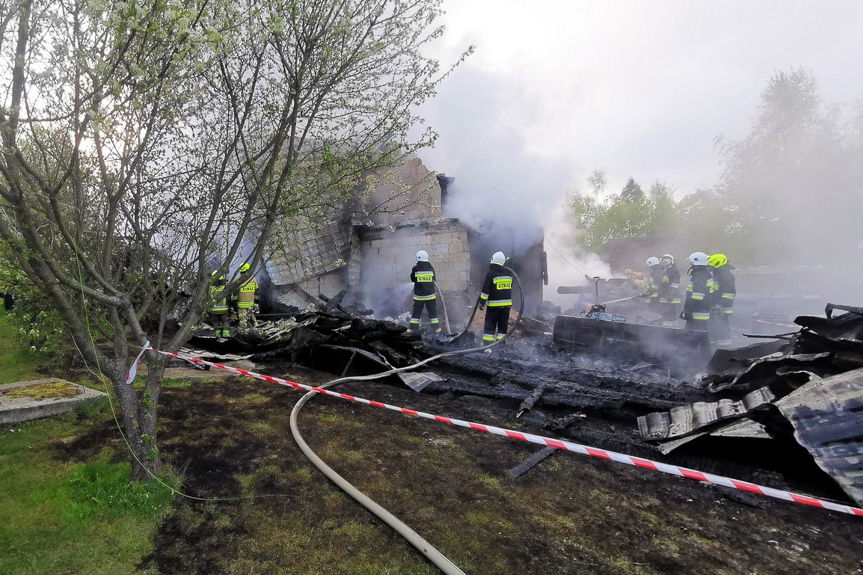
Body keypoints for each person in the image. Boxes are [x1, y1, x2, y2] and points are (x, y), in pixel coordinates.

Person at [479, 251, 513, 344]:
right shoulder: (508, 273)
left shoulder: (490, 274)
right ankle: (501, 346)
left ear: (493, 260)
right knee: (503, 326)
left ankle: (487, 345)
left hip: (494, 306)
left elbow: (485, 290)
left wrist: (481, 302)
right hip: (506, 307)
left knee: (490, 325)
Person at [708, 253, 736, 348]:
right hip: (718, 306)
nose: (710, 266)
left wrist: (720, 304)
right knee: (716, 327)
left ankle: (723, 349)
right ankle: (717, 347)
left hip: (723, 307)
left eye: (711, 264)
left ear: (717, 263)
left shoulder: (725, 275)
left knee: (722, 328)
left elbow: (729, 292)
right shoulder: (718, 274)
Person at [409, 250, 439, 332]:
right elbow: (434, 279)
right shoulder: (431, 268)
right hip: (431, 296)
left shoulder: (415, 268)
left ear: (418, 258)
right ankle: (437, 329)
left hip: (419, 297)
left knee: (416, 313)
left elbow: (413, 279)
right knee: (433, 313)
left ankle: (413, 329)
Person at [682, 252, 712, 332]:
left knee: (692, 335)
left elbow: (697, 296)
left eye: (691, 262)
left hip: (697, 312)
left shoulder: (699, 275)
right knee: (699, 334)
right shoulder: (704, 273)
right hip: (701, 311)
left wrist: (689, 311)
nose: (690, 264)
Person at [658, 253, 682, 327]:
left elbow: (675, 284)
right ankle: (667, 329)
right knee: (666, 315)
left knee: (670, 315)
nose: (664, 263)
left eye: (666, 262)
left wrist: (670, 294)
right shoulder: (667, 271)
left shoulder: (673, 271)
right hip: (666, 297)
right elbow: (665, 284)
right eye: (663, 261)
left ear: (671, 262)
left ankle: (669, 331)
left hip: (671, 298)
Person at [235, 263, 258, 331]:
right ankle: (256, 324)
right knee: (251, 314)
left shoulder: (238, 280)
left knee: (242, 319)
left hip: (242, 304)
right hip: (250, 303)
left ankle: (244, 331)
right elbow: (256, 290)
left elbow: (233, 291)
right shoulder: (253, 279)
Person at [208, 270, 230, 337]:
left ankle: (217, 335)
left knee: (216, 323)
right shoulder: (225, 287)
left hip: (214, 310)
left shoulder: (210, 288)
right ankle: (226, 335)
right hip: (224, 310)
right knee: (225, 322)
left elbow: (208, 298)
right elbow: (229, 297)